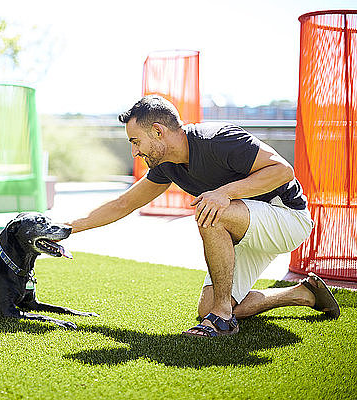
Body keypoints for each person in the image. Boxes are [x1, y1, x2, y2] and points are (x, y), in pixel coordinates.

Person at [66, 95, 340, 337]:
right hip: (244, 227)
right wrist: (66, 228)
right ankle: (301, 294)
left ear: (158, 131)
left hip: (287, 218)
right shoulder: (166, 166)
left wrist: (224, 193)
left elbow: (282, 171)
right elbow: (123, 203)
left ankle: (222, 318)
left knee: (211, 210)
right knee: (205, 307)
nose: (135, 152)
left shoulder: (219, 139)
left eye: (136, 141)